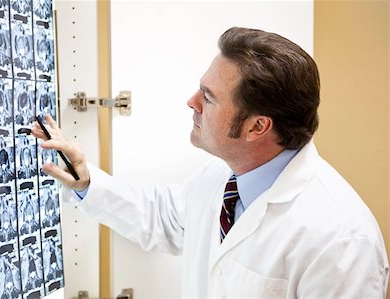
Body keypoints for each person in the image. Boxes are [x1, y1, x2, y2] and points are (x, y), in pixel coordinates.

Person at [32, 27, 389, 298]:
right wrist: (86, 181)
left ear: (256, 126)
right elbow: (165, 218)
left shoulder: (342, 240)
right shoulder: (224, 179)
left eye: (209, 98)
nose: (191, 102)